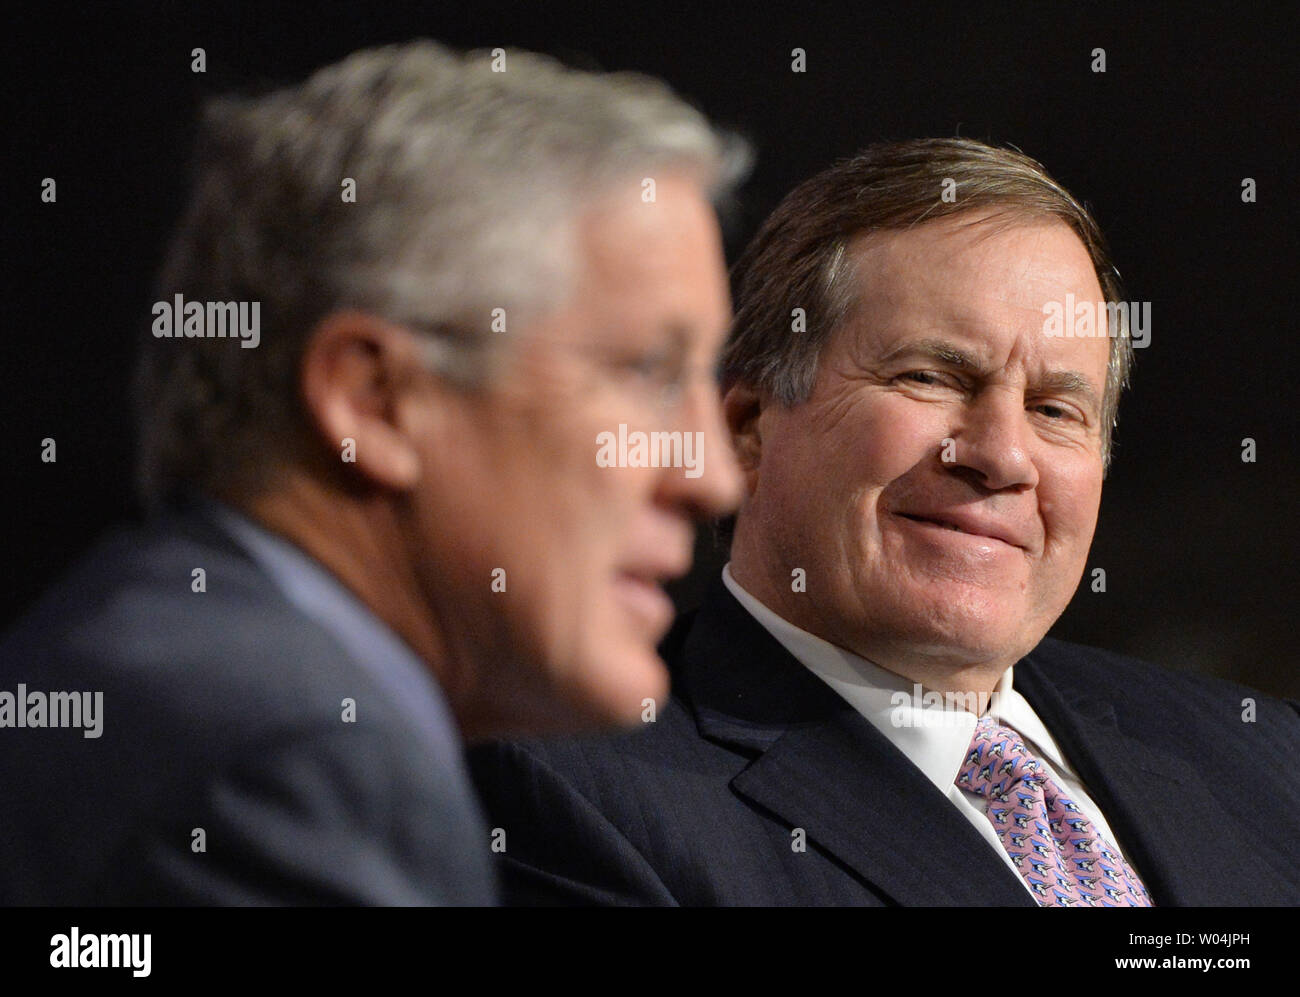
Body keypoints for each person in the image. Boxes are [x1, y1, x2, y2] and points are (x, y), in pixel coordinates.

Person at [0, 39, 744, 904]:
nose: (713, 478)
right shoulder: (296, 761)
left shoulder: (165, 663)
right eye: (647, 373)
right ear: (374, 400)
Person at [469, 138, 1300, 906]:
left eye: (1054, 408)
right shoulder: (563, 793)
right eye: (931, 376)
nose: (1004, 455)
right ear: (749, 426)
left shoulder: (1258, 752)